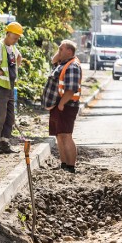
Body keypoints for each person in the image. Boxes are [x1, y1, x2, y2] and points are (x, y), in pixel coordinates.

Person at [41, 40, 82, 173]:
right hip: (58, 106)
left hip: (66, 106)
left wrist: (61, 104)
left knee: (66, 135)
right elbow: (54, 60)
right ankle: (64, 164)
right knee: (59, 135)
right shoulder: (63, 63)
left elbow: (71, 89)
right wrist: (59, 52)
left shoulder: (72, 66)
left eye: (61, 49)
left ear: (69, 51)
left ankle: (70, 166)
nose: (58, 51)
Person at [0, 22, 23, 155]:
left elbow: (19, 57)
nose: (16, 40)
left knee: (10, 117)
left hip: (9, 87)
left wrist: (15, 70)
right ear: (7, 33)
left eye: (18, 38)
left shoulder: (12, 48)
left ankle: (4, 142)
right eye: (14, 37)